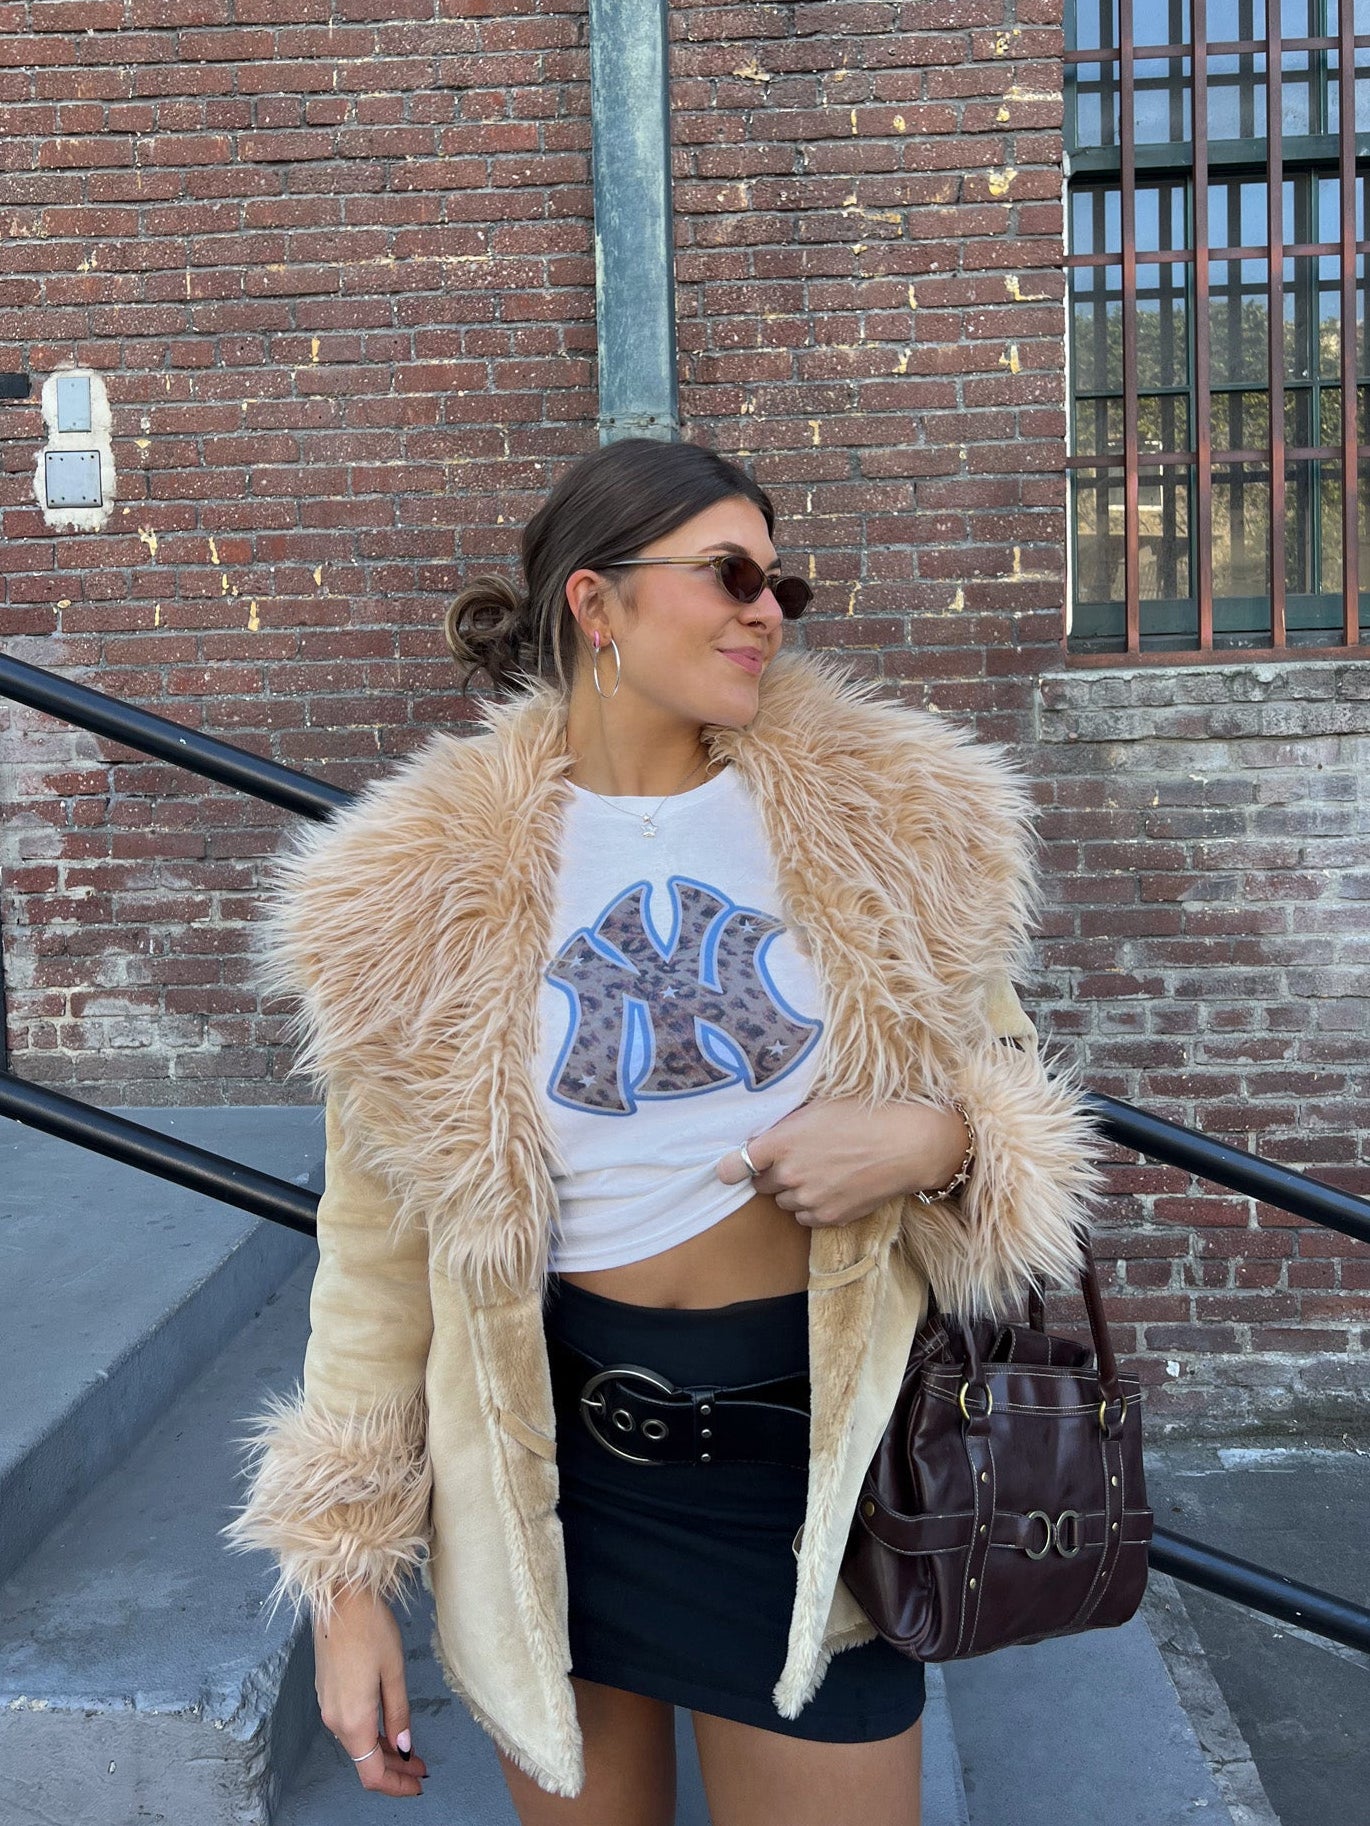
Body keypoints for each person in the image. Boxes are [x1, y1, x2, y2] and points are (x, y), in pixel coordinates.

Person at [224, 437, 1103, 1826]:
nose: (767, 609)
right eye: (728, 573)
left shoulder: (893, 821)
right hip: (552, 1491)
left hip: (810, 1484)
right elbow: (374, 1262)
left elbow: (1014, 1110)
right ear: (596, 603)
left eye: (780, 583)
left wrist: (930, 1141)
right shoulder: (410, 887)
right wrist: (345, 1589)